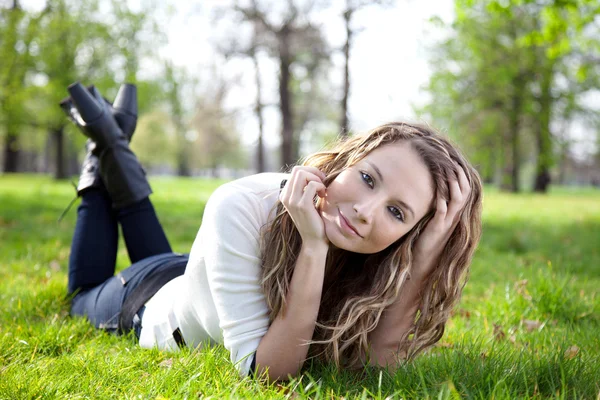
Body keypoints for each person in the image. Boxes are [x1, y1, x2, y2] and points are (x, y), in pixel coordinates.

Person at [61, 82, 482, 382]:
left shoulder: (392, 252)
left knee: (172, 264)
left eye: (397, 212)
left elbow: (374, 369)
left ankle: (113, 139)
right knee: (81, 296)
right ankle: (104, 149)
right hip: (146, 302)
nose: (365, 211)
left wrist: (425, 258)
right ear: (348, 159)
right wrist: (314, 247)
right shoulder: (241, 205)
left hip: (205, 277)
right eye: (368, 179)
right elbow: (268, 373)